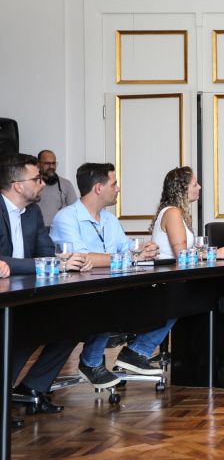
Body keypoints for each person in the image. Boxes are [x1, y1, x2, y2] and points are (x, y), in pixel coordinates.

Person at [50, 162, 165, 388]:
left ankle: (136, 352)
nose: (118, 189)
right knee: (107, 298)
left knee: (168, 296)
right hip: (78, 294)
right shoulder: (67, 218)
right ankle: (90, 362)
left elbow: (126, 248)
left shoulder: (110, 220)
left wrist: (144, 249)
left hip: (113, 289)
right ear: (98, 188)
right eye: (114, 184)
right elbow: (82, 259)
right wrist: (132, 257)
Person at [1, 153, 92, 426]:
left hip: (29, 292)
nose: (43, 183)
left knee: (74, 321)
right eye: (36, 179)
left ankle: (32, 388)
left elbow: (47, 254)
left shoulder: (33, 212)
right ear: (18, 185)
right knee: (23, 330)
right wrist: (50, 263)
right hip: (5, 296)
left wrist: (69, 261)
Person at [150, 166, 224, 260]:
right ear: (181, 188)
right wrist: (213, 254)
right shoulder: (172, 213)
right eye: (195, 185)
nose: (199, 187)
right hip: (168, 268)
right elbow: (181, 255)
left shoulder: (175, 212)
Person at [35, 149, 78, 228]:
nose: (51, 166)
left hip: (60, 228)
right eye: (47, 163)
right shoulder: (31, 184)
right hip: (37, 228)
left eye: (53, 163)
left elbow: (75, 209)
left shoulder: (66, 184)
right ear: (38, 165)